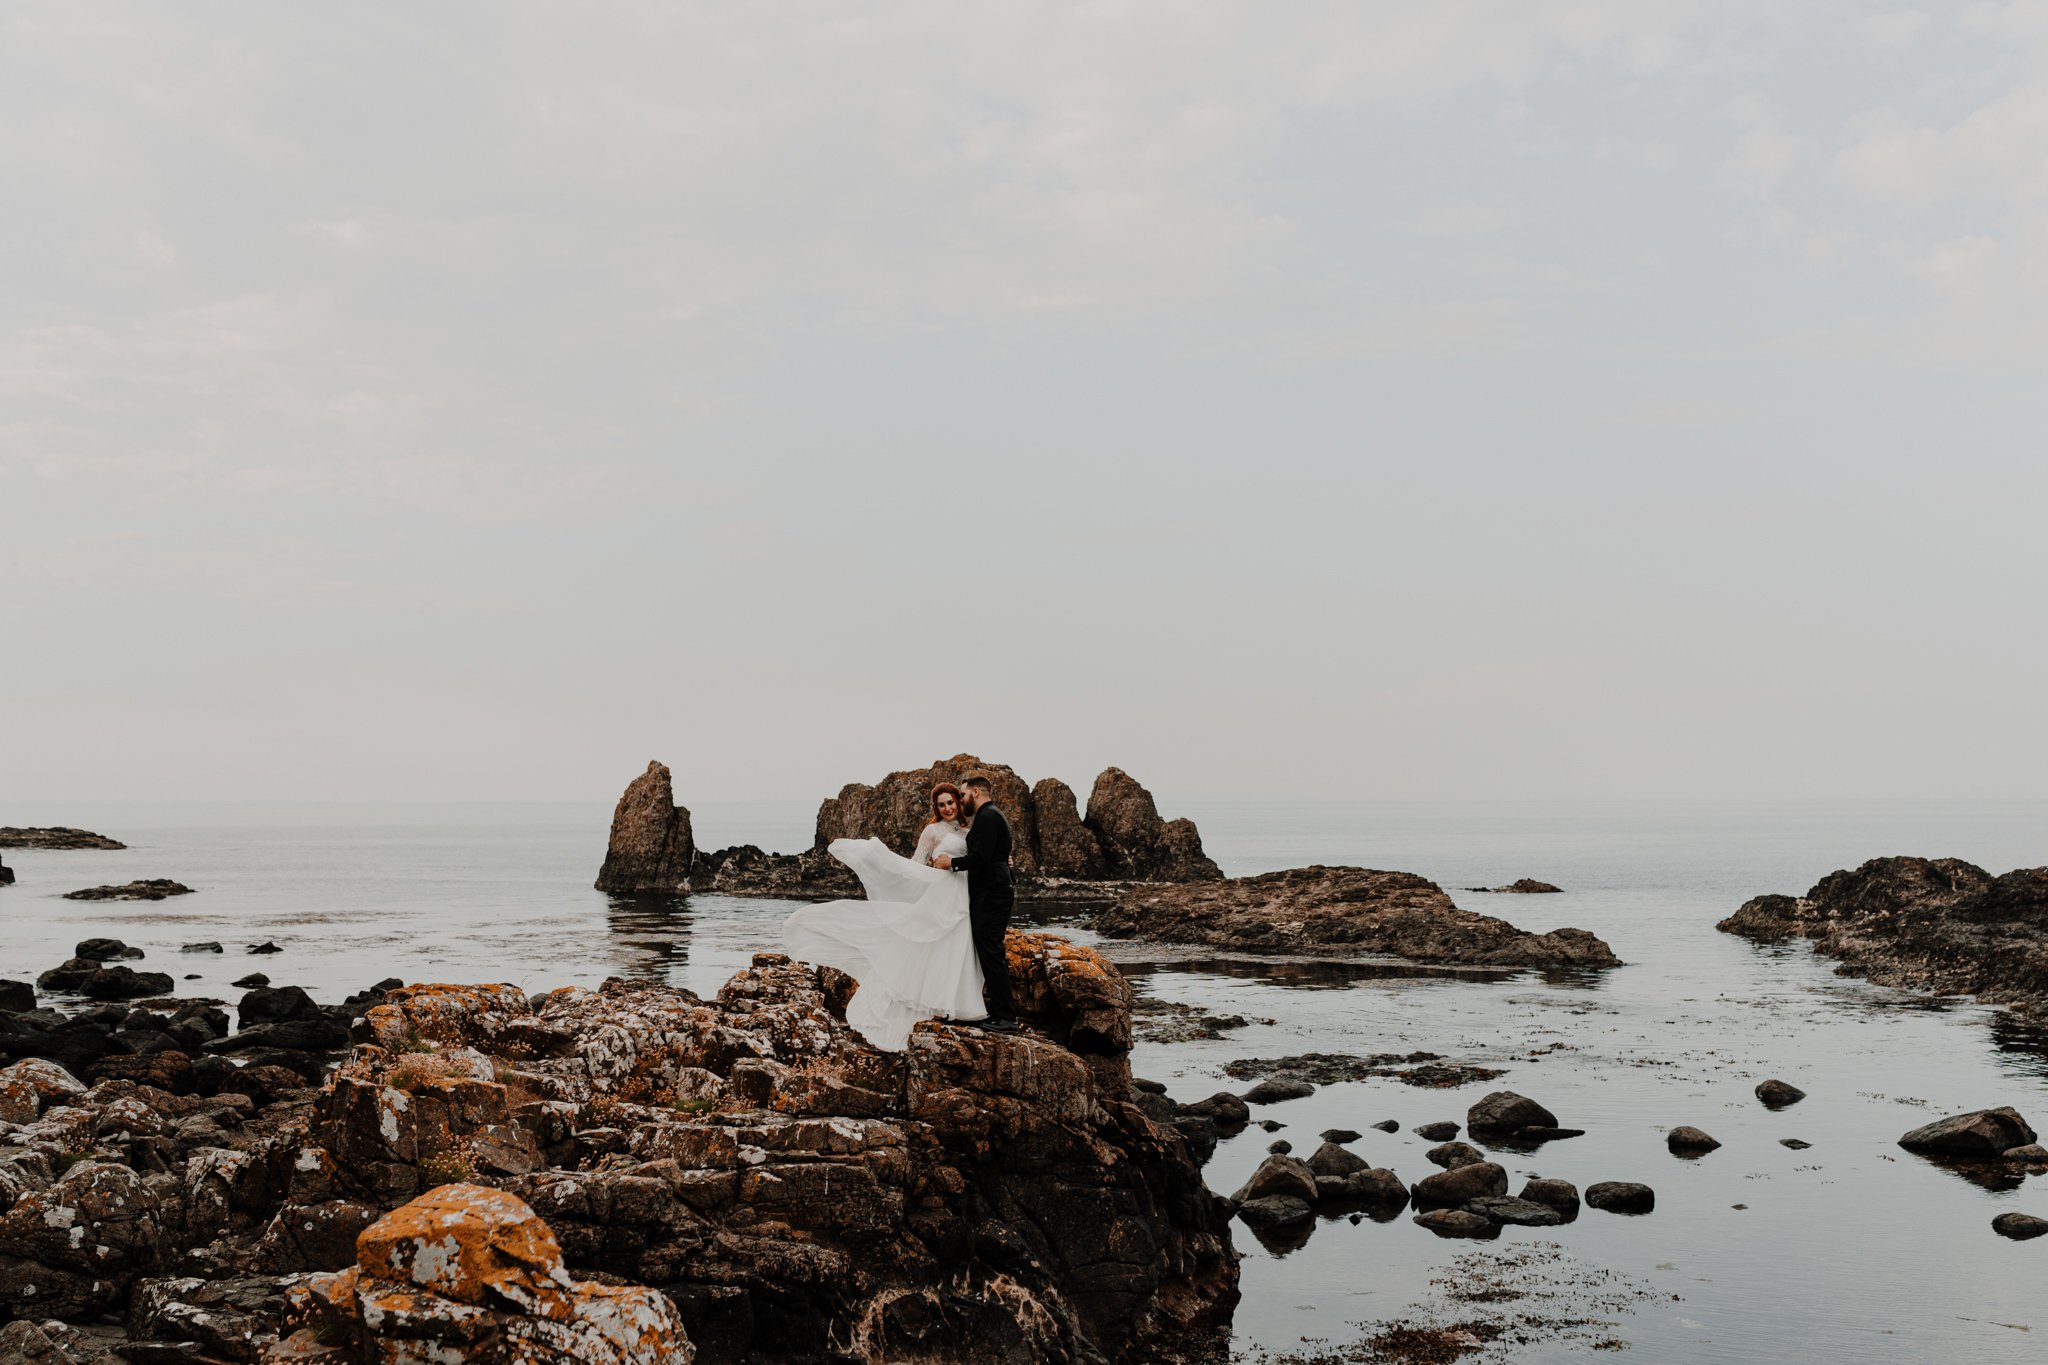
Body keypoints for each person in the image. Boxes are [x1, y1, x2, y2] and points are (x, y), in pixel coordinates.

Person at [780, 782, 988, 1049]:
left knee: (958, 947)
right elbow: (915, 863)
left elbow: (978, 860)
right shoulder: (932, 831)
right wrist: (907, 877)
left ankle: (955, 1005)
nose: (947, 808)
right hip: (941, 893)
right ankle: (931, 1004)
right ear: (936, 808)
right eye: (941, 804)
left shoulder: (970, 830)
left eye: (951, 803)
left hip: (963, 896)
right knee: (935, 946)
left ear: (959, 803)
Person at [931, 772, 1018, 1032]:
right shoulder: (990, 815)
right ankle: (1001, 1014)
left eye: (963, 794)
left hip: (992, 894)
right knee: (991, 952)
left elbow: (981, 858)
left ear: (976, 792)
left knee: (991, 953)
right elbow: (994, 855)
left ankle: (1006, 1017)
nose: (961, 798)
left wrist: (952, 863)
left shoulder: (988, 816)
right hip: (992, 891)